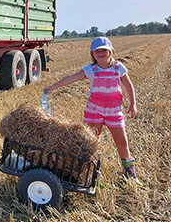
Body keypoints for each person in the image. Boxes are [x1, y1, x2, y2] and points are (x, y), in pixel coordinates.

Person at [44, 37, 142, 185]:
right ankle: (90, 173)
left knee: (122, 143)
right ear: (92, 53)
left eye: (104, 50)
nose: (101, 52)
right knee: (91, 143)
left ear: (111, 51)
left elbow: (128, 85)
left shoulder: (118, 67)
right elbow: (72, 78)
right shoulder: (91, 69)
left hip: (114, 112)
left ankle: (131, 174)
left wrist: (133, 103)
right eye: (97, 51)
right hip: (94, 111)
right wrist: (54, 86)